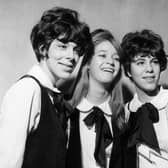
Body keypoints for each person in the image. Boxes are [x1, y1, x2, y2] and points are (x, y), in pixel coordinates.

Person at [0, 6, 93, 168]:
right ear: (43, 48)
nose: (71, 56)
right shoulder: (27, 90)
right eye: (62, 46)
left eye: (76, 49)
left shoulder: (53, 96)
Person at [66, 29, 126, 168]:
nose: (110, 62)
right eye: (102, 55)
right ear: (87, 63)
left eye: (116, 58)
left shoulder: (125, 117)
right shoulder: (65, 114)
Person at [121, 29, 168, 168]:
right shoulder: (125, 113)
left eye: (154, 61)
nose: (150, 69)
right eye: (141, 62)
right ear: (129, 70)